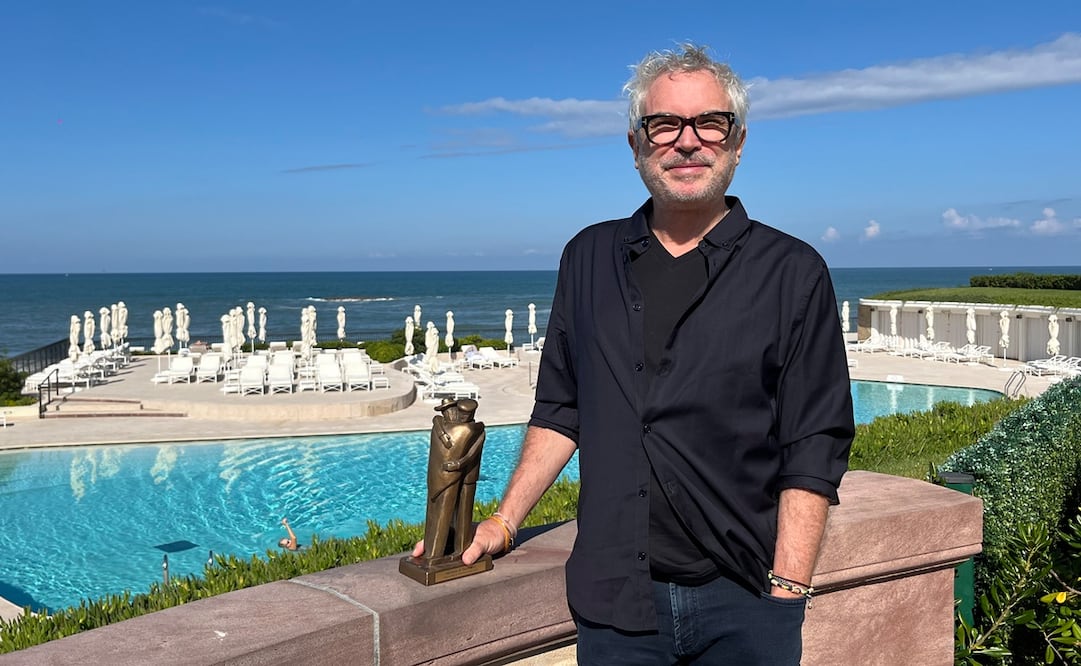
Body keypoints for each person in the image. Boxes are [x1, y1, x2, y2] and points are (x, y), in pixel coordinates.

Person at [444, 43, 855, 664]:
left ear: (737, 141)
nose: (686, 142)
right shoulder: (587, 258)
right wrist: (503, 523)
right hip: (615, 604)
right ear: (636, 144)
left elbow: (814, 443)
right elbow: (561, 408)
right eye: (664, 124)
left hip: (744, 601)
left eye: (708, 123)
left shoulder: (793, 272)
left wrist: (787, 590)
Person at [420, 397, 486, 563]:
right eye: (446, 411)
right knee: (445, 513)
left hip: (468, 476)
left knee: (463, 512)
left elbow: (471, 454)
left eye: (464, 414)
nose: (450, 414)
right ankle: (442, 550)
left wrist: (457, 464)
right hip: (451, 474)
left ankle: (460, 549)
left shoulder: (472, 429)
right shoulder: (444, 426)